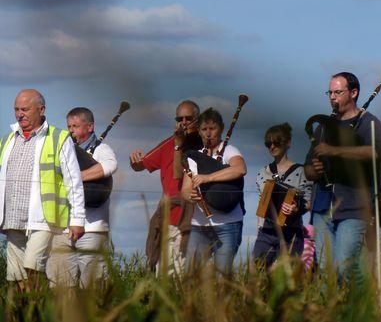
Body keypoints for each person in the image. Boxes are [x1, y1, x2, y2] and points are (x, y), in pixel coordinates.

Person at [304, 72, 381, 283]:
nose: (332, 97)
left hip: (354, 206)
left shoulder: (368, 122)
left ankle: (361, 307)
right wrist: (316, 168)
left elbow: (378, 152)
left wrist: (335, 151)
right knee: (326, 270)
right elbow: (307, 170)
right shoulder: (324, 127)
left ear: (353, 93)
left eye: (338, 92)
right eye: (330, 92)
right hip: (323, 206)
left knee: (344, 265)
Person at [0, 89, 85, 292]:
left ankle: (39, 306)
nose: (20, 114)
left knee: (32, 266)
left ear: (41, 109)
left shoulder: (58, 138)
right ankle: (27, 312)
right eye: (16, 109)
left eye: (25, 109)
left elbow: (74, 182)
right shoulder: (7, 140)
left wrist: (78, 220)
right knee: (15, 274)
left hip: (43, 219)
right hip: (12, 218)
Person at [47, 107, 117, 288]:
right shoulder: (64, 151)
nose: (71, 130)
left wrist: (74, 177)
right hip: (63, 228)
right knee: (60, 283)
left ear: (90, 126)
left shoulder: (102, 149)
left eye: (76, 126)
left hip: (92, 227)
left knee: (94, 284)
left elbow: (109, 166)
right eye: (69, 126)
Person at [129, 100, 200, 275]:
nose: (184, 122)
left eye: (188, 118)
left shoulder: (203, 144)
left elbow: (178, 173)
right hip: (169, 218)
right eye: (179, 118)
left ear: (197, 119)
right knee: (165, 272)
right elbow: (142, 165)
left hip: (196, 219)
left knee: (188, 273)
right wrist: (134, 161)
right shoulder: (168, 144)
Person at [181, 108, 246, 275]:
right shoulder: (193, 157)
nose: (208, 134)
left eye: (212, 128)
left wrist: (206, 178)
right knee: (191, 276)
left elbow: (240, 169)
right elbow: (185, 190)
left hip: (228, 224)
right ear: (199, 132)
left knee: (221, 277)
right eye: (204, 129)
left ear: (221, 129)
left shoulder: (230, 151)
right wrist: (191, 196)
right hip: (200, 225)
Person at [253, 123, 312, 268]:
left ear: (288, 143)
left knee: (287, 276)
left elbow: (309, 202)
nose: (272, 146)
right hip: (266, 232)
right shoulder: (262, 173)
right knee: (256, 271)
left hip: (291, 232)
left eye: (277, 142)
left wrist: (295, 208)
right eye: (268, 143)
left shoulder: (301, 171)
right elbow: (262, 205)